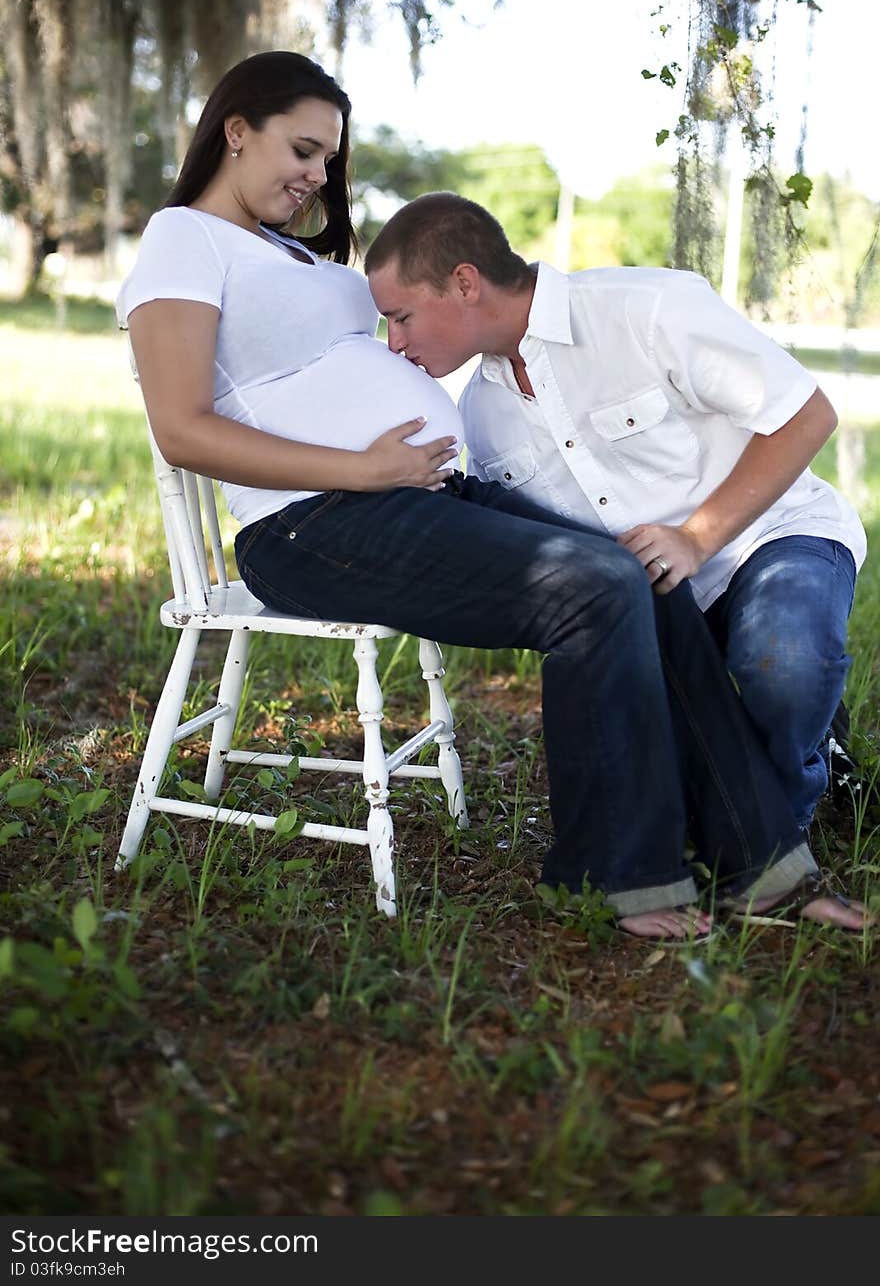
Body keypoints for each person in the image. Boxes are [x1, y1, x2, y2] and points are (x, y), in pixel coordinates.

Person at [117, 51, 867, 938]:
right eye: (304, 149)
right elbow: (181, 428)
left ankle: (763, 870)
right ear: (236, 130)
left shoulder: (291, 252)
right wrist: (363, 467)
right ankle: (619, 877)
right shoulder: (182, 239)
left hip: (418, 497)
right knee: (592, 590)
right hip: (313, 525)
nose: (320, 176)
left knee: (639, 572)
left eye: (329, 159)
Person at [364, 192, 867, 840]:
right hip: (662, 606)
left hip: (770, 537)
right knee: (675, 780)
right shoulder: (480, 416)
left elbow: (807, 414)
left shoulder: (645, 309)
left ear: (464, 282)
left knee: (783, 658)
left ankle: (784, 825)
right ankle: (807, 738)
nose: (393, 342)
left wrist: (696, 537)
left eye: (400, 317)